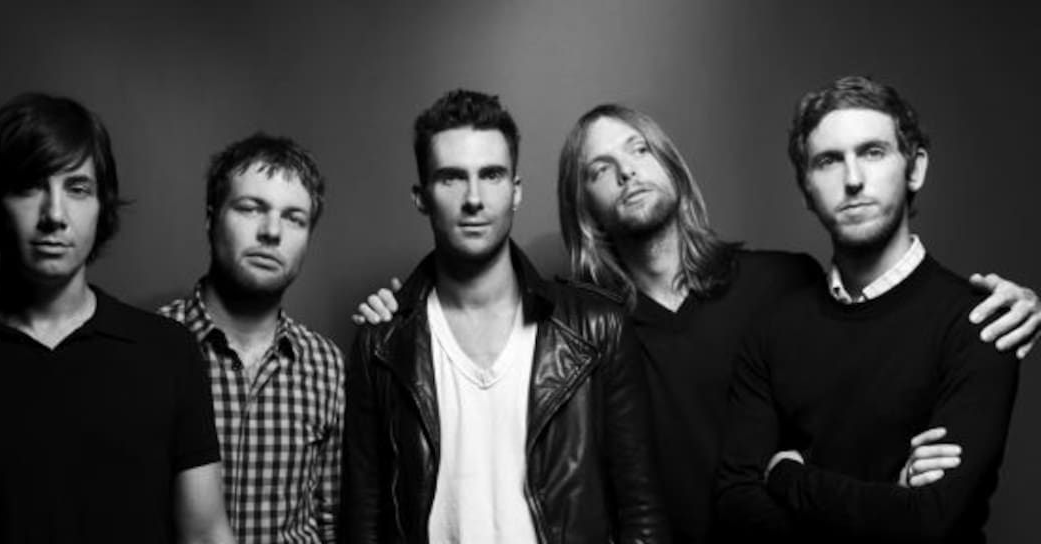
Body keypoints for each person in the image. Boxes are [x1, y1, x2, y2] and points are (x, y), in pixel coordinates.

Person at [357, 102, 1038, 544]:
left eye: (639, 151)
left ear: (672, 166)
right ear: (583, 206)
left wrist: (1013, 304)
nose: (627, 172)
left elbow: (876, 339)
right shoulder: (580, 328)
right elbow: (479, 304)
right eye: (600, 169)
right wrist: (401, 310)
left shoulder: (784, 282)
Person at [0, 93, 233, 543]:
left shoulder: (169, 353)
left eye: (77, 189)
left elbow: (205, 535)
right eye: (28, 187)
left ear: (102, 206)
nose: (54, 215)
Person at [342, 89, 668, 543]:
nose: (474, 198)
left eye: (491, 175)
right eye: (452, 178)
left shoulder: (598, 328)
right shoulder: (381, 344)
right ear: (422, 197)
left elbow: (642, 512)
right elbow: (363, 521)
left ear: (516, 191)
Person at [713, 75, 1021, 542]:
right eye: (829, 161)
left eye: (873, 152)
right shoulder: (773, 329)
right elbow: (736, 506)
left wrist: (788, 478)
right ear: (806, 188)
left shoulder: (981, 321)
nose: (853, 179)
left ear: (915, 169)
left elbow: (930, 521)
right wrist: (889, 506)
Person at [159, 133, 344, 543]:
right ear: (211, 219)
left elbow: (333, 522)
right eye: (250, 208)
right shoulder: (151, 347)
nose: (271, 231)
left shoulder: (326, 365)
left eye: (294, 218)